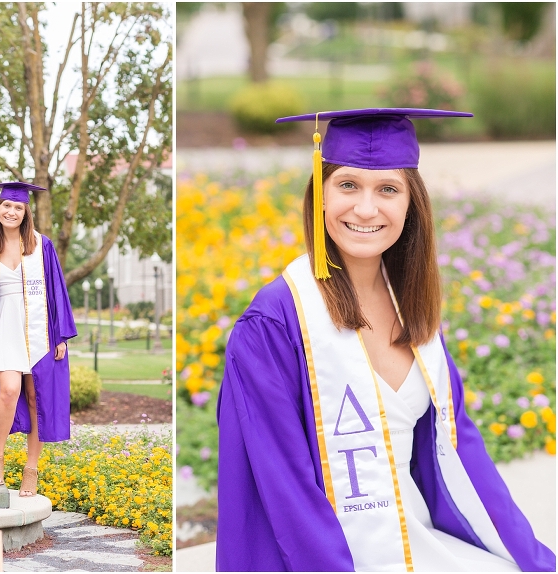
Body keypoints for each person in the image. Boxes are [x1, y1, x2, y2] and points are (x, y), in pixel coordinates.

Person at [215, 109, 556, 572]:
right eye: (348, 185)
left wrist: (534, 558)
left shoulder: (412, 309)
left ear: (411, 204)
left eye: (388, 190)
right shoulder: (274, 323)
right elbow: (284, 487)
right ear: (320, 193)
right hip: (326, 558)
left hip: (414, 543)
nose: (366, 209)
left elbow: (459, 452)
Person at [0, 181, 77, 497]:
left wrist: (61, 336)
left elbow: (57, 290)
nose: (12, 211)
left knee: (37, 398)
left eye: (18, 207)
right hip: (1, 329)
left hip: (38, 330)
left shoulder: (41, 246)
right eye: (7, 205)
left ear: (26, 212)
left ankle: (31, 469)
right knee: (8, 391)